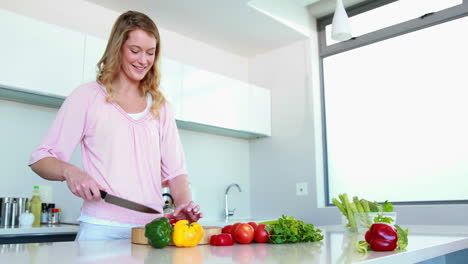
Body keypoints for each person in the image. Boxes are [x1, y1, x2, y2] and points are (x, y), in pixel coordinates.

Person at [29, 10, 202, 240]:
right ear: (117, 48)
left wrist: (184, 205)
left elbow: (177, 173)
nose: (143, 60)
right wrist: (70, 171)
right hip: (100, 229)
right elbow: (40, 159)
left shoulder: (161, 108)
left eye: (150, 53)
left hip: (150, 232)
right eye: (135, 50)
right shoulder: (87, 97)